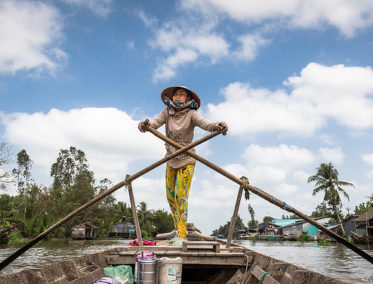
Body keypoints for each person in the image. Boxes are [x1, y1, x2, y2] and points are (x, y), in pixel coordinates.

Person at [138, 86, 228, 245]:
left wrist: (218, 125)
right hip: (171, 158)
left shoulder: (191, 114)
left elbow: (206, 124)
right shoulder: (166, 112)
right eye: (176, 94)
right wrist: (144, 125)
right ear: (171, 98)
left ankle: (181, 234)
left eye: (182, 94)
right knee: (170, 196)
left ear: (188, 99)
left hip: (187, 157)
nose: (178, 97)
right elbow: (153, 124)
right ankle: (178, 228)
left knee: (181, 195)